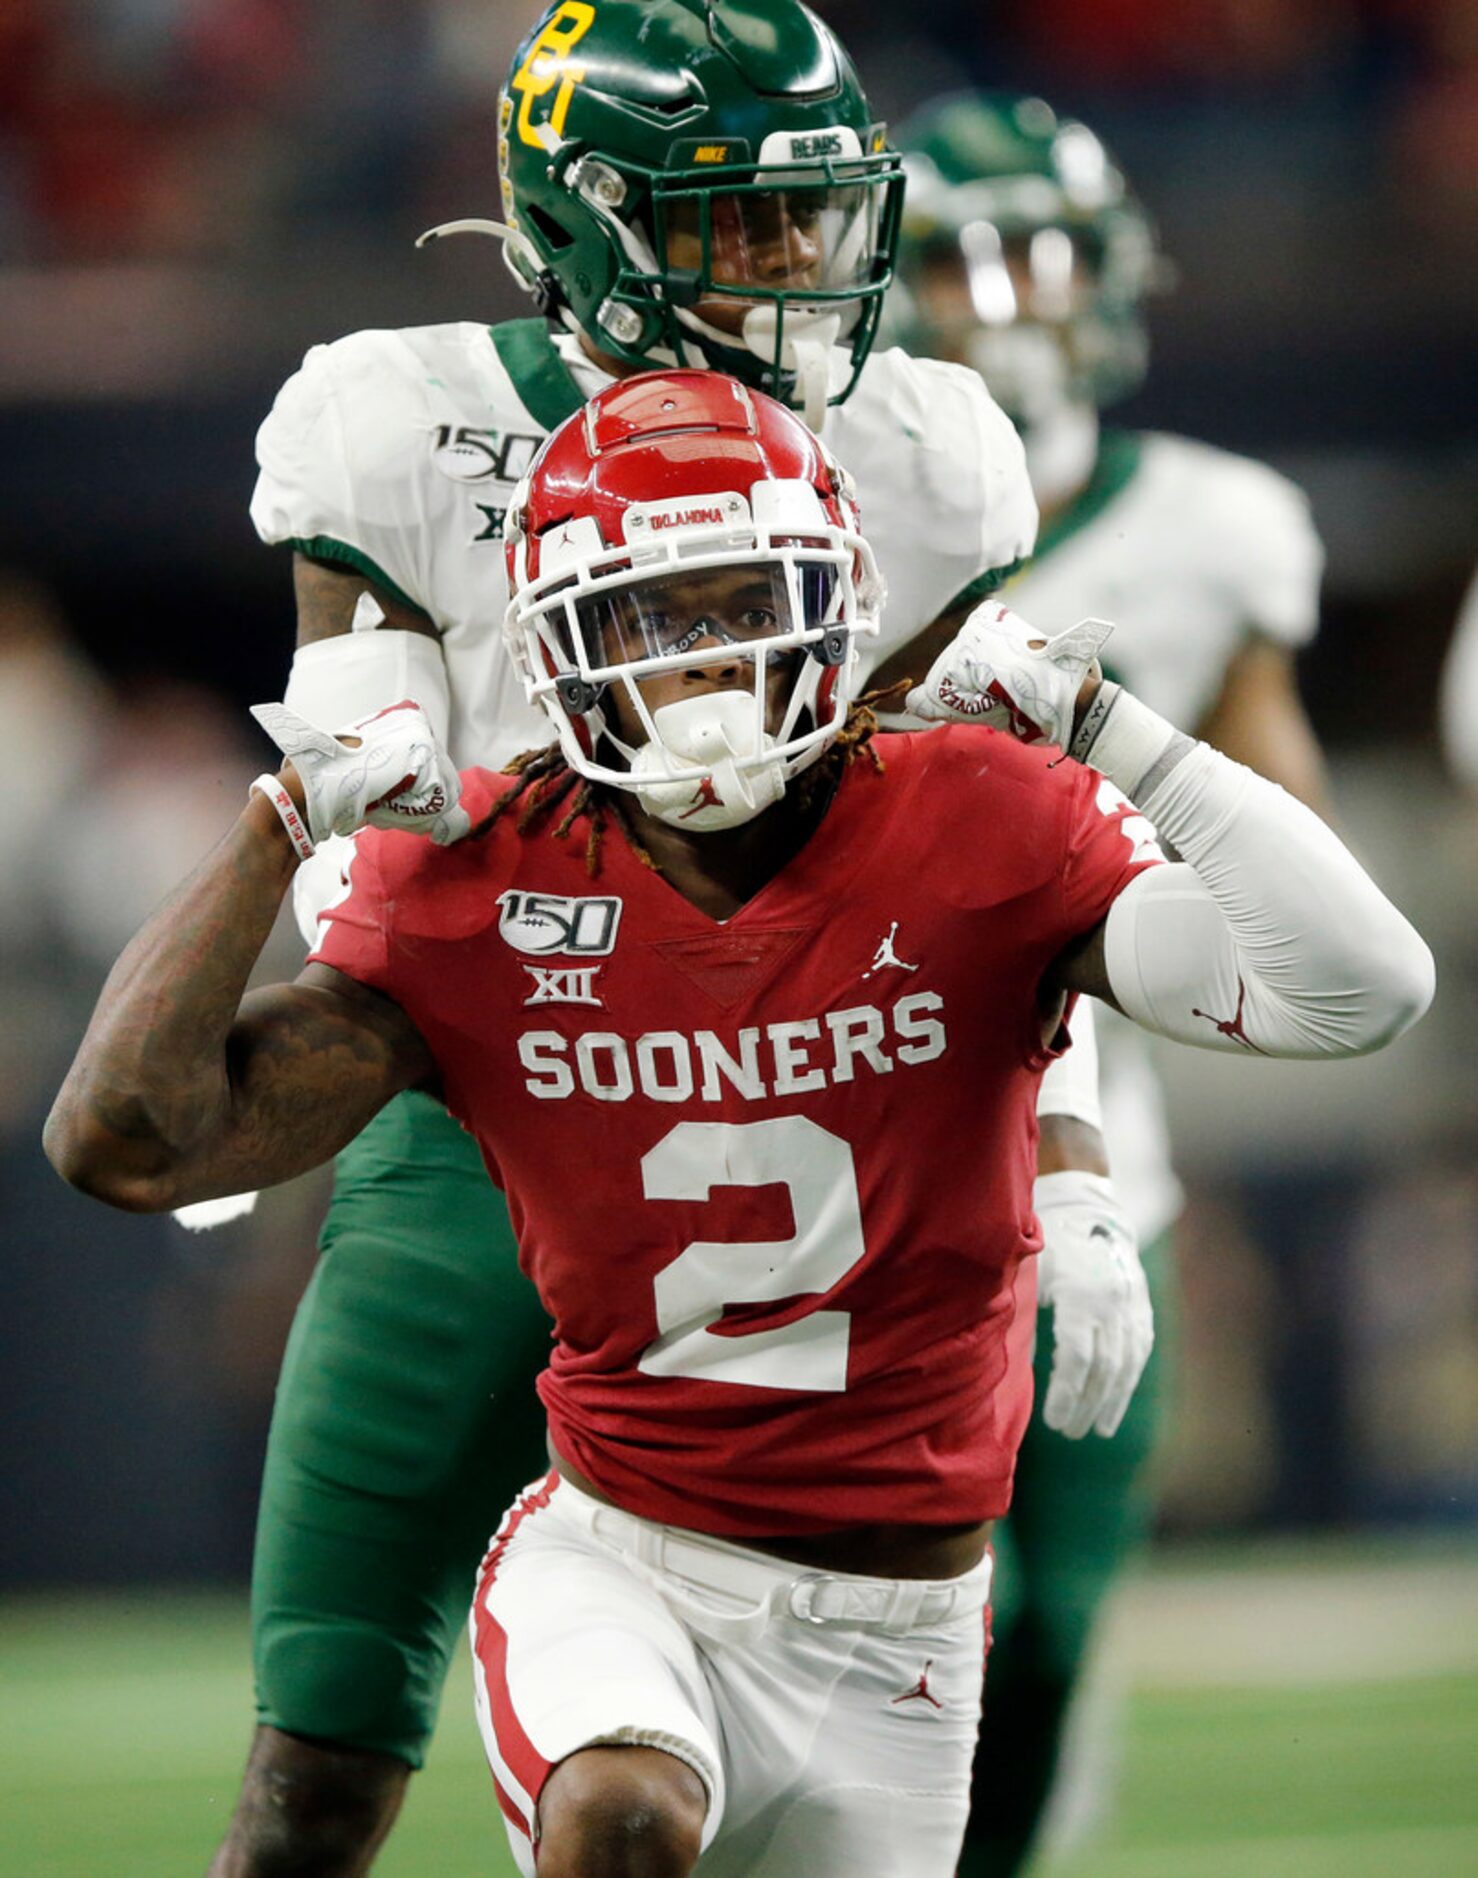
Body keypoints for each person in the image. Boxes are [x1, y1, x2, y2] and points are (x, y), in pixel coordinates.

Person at [47, 368, 1433, 1878]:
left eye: (738, 599)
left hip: (902, 1626)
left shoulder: (978, 812)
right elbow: (124, 1138)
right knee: (619, 1820)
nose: (702, 662)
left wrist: (1112, 729)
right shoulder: (484, 878)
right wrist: (272, 830)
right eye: (648, 617)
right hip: (621, 1560)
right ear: (562, 652)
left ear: (832, 604)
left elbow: (1360, 987)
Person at [186, 7, 1079, 1872]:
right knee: (321, 1755)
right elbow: (370, 786)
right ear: (588, 223)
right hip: (499, 1094)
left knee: (874, 1688)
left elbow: (1001, 859)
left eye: (807, 222)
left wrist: (1061, 1162)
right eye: (736, 227)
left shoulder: (922, 448)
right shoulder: (393, 417)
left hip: (825, 1089)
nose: (790, 274)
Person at [878, 90, 1333, 1873]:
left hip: (1094, 1141)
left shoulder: (1218, 522)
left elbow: (1280, 835)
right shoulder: (819, 495)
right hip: (856, 1103)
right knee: (882, 1609)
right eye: (960, 256)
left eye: (1042, 250)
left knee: (1052, 1623)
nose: (1005, 297)